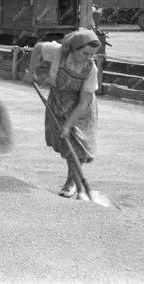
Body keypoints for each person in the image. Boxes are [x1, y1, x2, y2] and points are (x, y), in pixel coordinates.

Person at [23, 29, 102, 201]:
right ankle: (74, 182)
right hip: (57, 103)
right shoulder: (58, 53)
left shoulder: (90, 69)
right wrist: (31, 72)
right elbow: (37, 48)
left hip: (81, 110)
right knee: (67, 145)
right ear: (74, 48)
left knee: (77, 145)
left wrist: (68, 125)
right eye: (85, 53)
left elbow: (83, 103)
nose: (89, 57)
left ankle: (71, 183)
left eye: (92, 54)